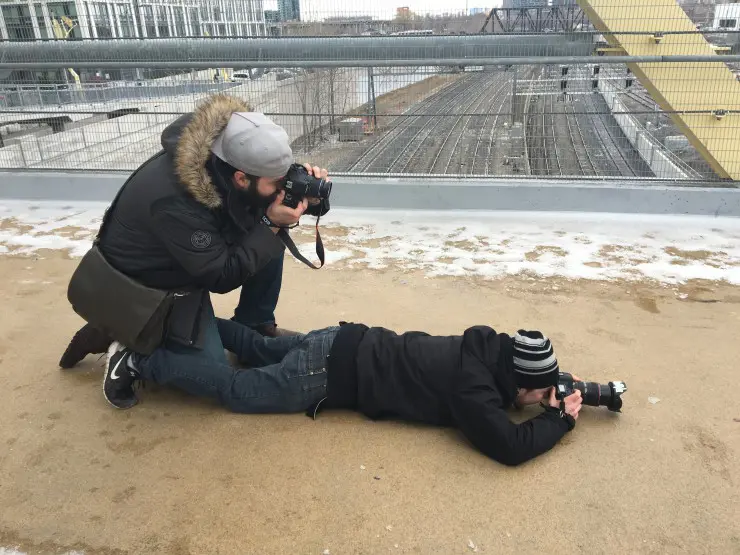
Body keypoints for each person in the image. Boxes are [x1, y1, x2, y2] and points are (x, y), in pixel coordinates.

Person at [59, 94, 328, 407]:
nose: (282, 189)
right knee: (209, 368)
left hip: (184, 262)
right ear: (241, 178)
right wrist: (270, 223)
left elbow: (253, 211)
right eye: (278, 184)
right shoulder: (174, 201)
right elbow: (221, 276)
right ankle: (130, 345)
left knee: (268, 234)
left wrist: (312, 198)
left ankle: (253, 325)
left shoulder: (231, 160)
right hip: (147, 285)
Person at [103, 319, 584, 467]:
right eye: (539, 391)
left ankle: (179, 322)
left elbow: (514, 384)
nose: (540, 397)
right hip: (327, 374)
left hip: (343, 336)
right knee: (237, 390)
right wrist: (558, 419)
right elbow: (508, 447)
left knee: (258, 347)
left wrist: (543, 393)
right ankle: (140, 361)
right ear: (521, 382)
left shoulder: (487, 350)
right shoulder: (473, 389)